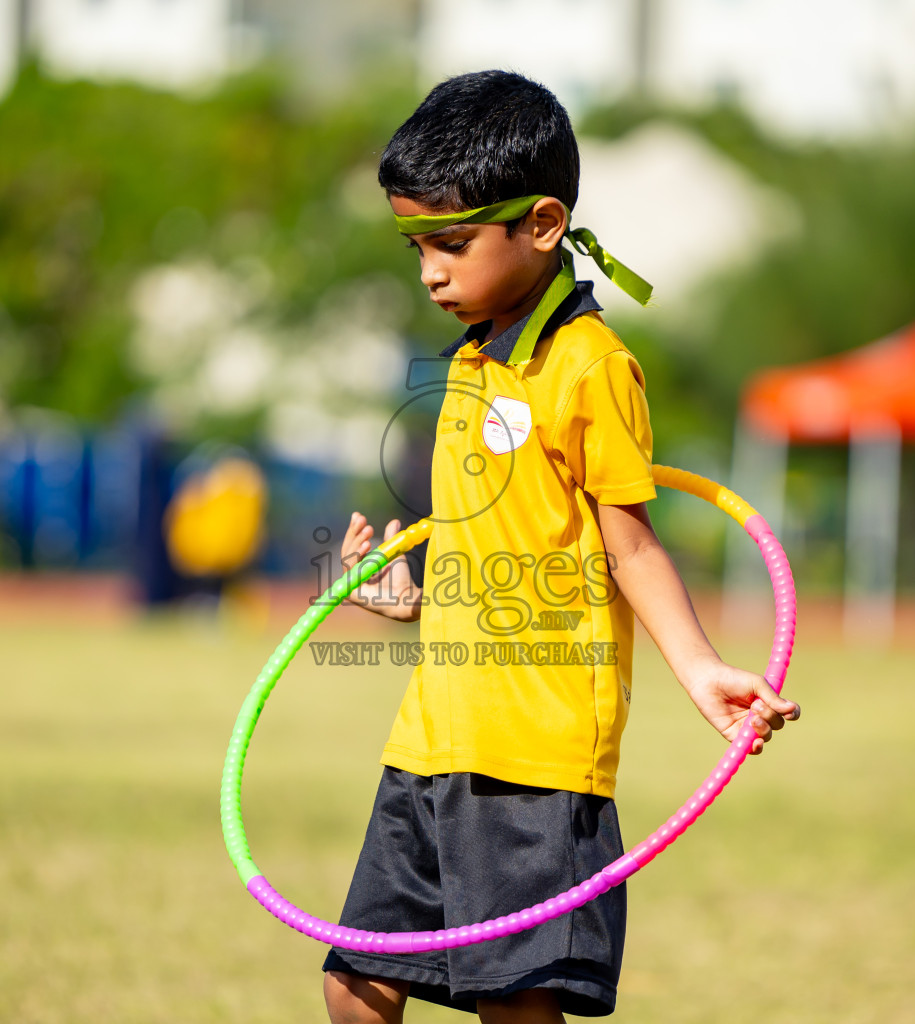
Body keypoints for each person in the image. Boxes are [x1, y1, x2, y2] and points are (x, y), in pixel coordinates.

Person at [325, 71, 800, 1024]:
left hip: (533, 761)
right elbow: (493, 544)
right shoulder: (468, 363)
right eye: (416, 245)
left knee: (516, 1004)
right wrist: (400, 595)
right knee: (355, 983)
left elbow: (630, 546)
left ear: (543, 224)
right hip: (432, 740)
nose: (429, 272)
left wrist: (700, 667)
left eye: (452, 244)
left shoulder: (591, 368)